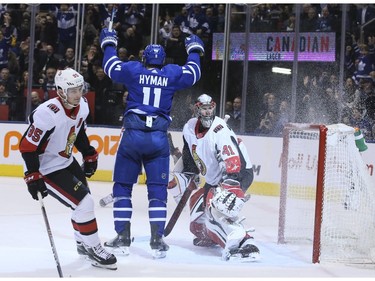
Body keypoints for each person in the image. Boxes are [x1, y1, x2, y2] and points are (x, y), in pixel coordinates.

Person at [99, 26, 204, 258]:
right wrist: (194, 49)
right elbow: (194, 72)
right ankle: (157, 240)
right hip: (158, 139)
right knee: (157, 190)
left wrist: (108, 43)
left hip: (133, 137)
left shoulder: (134, 69)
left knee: (123, 187)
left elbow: (110, 67)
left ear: (144, 58)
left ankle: (123, 236)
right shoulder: (171, 73)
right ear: (162, 59)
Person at [18, 68, 117, 270]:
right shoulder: (47, 114)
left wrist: (88, 153)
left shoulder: (82, 106)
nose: (78, 94)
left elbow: (78, 131)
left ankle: (82, 242)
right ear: (61, 91)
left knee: (83, 202)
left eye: (80, 89)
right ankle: (94, 247)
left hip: (66, 160)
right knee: (85, 203)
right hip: (47, 168)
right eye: (73, 91)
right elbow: (27, 146)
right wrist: (32, 175)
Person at [168, 94, 260, 261]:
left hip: (238, 173)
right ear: (196, 109)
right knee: (198, 224)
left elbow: (232, 161)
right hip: (214, 179)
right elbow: (190, 158)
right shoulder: (189, 128)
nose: (208, 112)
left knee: (217, 209)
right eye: (204, 108)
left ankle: (245, 243)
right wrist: (184, 175)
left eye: (210, 108)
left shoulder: (220, 129)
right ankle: (213, 235)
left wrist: (229, 187)